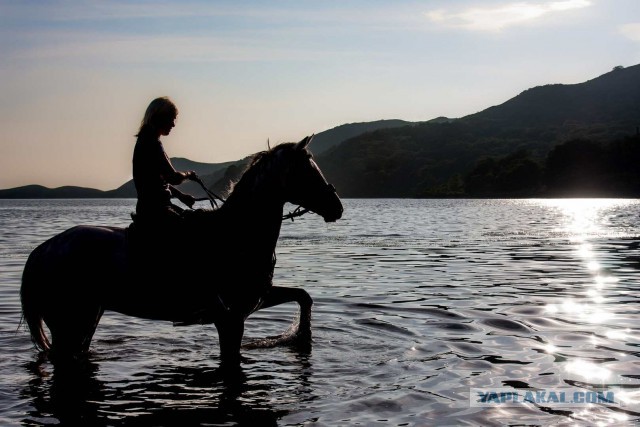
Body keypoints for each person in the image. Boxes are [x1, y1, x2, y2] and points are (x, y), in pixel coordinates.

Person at [132, 96, 198, 228]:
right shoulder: (152, 144)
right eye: (171, 119)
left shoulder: (145, 141)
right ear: (160, 118)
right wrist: (188, 174)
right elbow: (173, 178)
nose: (173, 124)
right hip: (156, 212)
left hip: (154, 209)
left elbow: (157, 182)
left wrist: (181, 196)